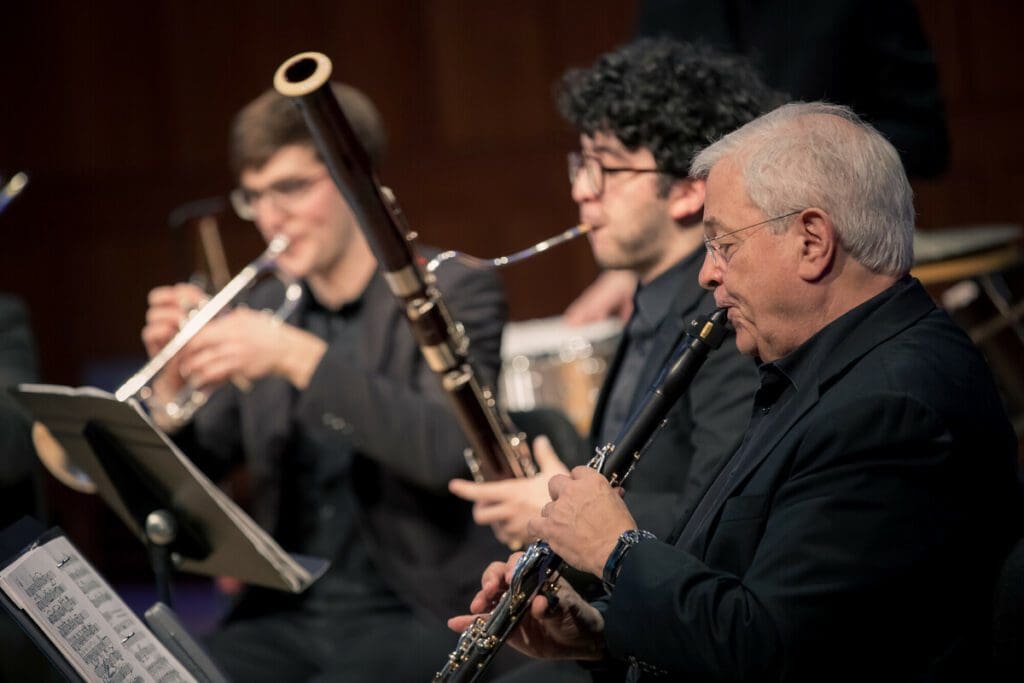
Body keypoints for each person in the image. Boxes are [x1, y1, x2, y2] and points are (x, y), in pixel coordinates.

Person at [452, 102, 1022, 681]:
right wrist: (600, 632)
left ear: (811, 241)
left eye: (724, 244)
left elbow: (768, 651)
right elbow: (741, 595)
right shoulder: (825, 371)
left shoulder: (889, 406)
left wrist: (617, 549)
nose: (707, 273)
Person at [141, 83, 508, 682]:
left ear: (353, 180)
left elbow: (453, 449)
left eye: (290, 188)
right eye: (253, 196)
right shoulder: (265, 307)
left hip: (416, 608)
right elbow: (197, 480)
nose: (269, 217)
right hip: (283, 612)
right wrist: (169, 392)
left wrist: (301, 360)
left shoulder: (452, 288)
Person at [450, 39, 768, 551]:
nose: (582, 190)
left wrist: (556, 512)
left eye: (609, 168)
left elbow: (722, 511)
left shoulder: (726, 317)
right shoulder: (653, 301)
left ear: (688, 189)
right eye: (583, 164)